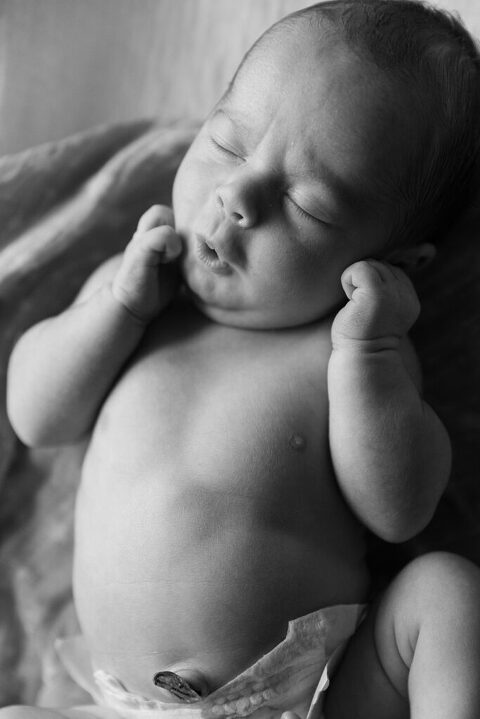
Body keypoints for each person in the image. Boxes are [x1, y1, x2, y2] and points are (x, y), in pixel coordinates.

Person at [5, 1, 480, 717]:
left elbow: (401, 511)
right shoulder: (132, 298)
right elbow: (36, 416)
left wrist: (369, 352)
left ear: (393, 263)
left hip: (312, 694)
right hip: (121, 707)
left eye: (309, 206)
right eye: (228, 143)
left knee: (447, 593)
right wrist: (116, 308)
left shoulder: (353, 355)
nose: (237, 195)